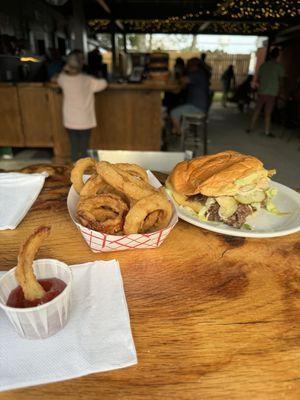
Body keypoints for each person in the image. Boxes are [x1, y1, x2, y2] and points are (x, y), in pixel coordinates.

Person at [55, 50, 107, 161]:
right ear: (82, 64)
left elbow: (57, 78)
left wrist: (65, 70)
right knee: (84, 148)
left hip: (70, 119)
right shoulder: (87, 80)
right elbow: (104, 84)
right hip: (85, 120)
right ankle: (83, 171)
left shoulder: (63, 78)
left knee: (74, 145)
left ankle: (73, 167)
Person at [247, 47, 285, 137]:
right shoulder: (279, 67)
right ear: (278, 56)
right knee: (268, 113)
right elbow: (281, 81)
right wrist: (281, 92)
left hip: (262, 91)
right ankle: (267, 131)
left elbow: (259, 79)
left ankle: (250, 128)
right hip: (272, 92)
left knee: (257, 110)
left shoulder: (264, 65)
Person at [170, 57, 209, 134]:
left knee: (173, 113)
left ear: (193, 66)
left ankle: (181, 134)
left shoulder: (198, 74)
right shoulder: (199, 73)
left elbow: (183, 80)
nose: (187, 67)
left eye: (188, 66)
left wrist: (180, 72)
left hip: (197, 107)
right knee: (175, 110)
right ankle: (177, 130)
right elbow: (182, 86)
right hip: (196, 106)